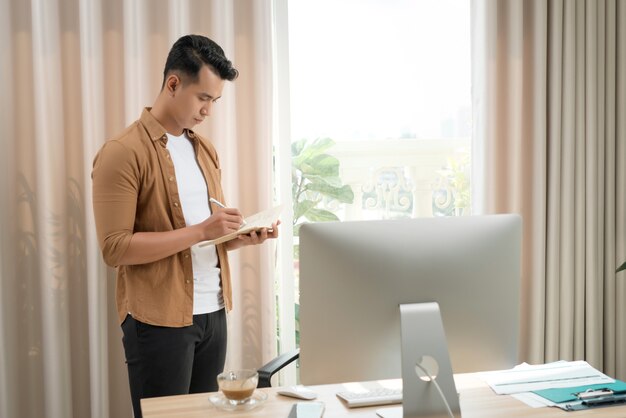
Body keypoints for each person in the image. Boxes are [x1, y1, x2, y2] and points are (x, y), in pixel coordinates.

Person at [91, 34, 279, 418]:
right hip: (158, 319)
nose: (208, 110)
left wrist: (238, 238)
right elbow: (115, 247)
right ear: (173, 84)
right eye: (203, 98)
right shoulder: (123, 152)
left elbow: (205, 238)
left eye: (215, 101)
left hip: (213, 312)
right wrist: (201, 231)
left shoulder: (204, 150)